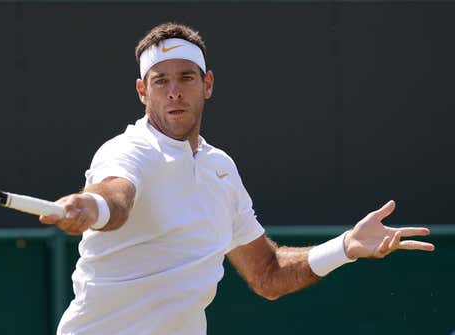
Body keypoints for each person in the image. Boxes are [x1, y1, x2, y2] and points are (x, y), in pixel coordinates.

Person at [39, 22, 435, 335]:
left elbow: (269, 274)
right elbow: (115, 196)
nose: (174, 91)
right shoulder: (127, 150)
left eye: (186, 78)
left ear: (207, 84)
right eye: (161, 81)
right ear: (143, 92)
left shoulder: (220, 169)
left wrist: (345, 246)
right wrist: (90, 206)